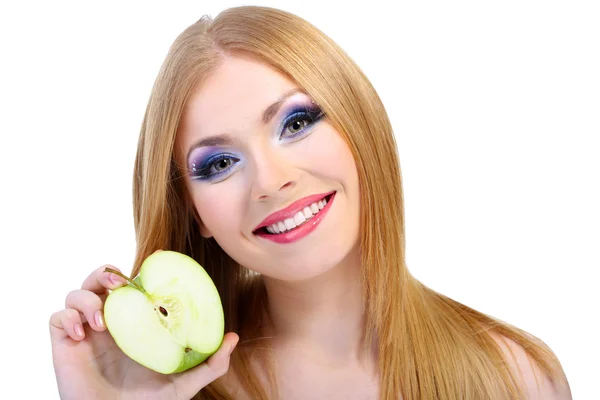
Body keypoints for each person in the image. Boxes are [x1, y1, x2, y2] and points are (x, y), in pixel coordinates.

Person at [49, 5, 572, 399]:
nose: (270, 182)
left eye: (295, 124)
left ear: (360, 127)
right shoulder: (174, 389)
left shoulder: (514, 376)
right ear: (194, 213)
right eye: (218, 164)